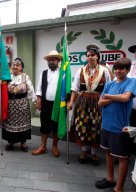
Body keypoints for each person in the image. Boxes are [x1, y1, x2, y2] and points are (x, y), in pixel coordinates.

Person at [95, 58, 136, 192]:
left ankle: (119, 188)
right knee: (108, 152)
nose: (118, 71)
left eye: (122, 68)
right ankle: (110, 179)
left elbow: (125, 98)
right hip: (106, 125)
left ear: (128, 70)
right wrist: (114, 97)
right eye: (116, 68)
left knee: (122, 157)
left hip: (121, 128)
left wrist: (108, 96)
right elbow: (100, 103)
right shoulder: (109, 84)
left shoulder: (132, 82)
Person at [67, 44, 111, 165]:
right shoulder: (80, 70)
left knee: (95, 127)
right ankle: (84, 151)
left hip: (98, 102)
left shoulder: (105, 71)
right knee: (82, 125)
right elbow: (75, 89)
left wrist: (106, 102)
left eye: (92, 55)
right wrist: (71, 102)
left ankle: (94, 153)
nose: (90, 57)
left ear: (97, 57)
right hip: (83, 102)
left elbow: (109, 88)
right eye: (88, 55)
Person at [1, 58, 36, 152]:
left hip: (22, 104)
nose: (15, 67)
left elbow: (31, 90)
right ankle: (10, 142)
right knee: (10, 123)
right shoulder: (7, 77)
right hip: (10, 105)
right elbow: (1, 91)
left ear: (21, 67)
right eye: (14, 65)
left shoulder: (25, 77)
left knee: (23, 124)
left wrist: (35, 101)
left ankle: (23, 143)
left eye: (17, 65)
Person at [32, 50, 62, 157]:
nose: (51, 61)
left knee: (56, 126)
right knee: (44, 125)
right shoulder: (43, 73)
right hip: (45, 104)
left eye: (54, 59)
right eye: (49, 60)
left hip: (58, 105)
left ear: (58, 60)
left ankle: (55, 146)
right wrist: (38, 100)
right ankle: (42, 146)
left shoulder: (63, 73)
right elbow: (39, 88)